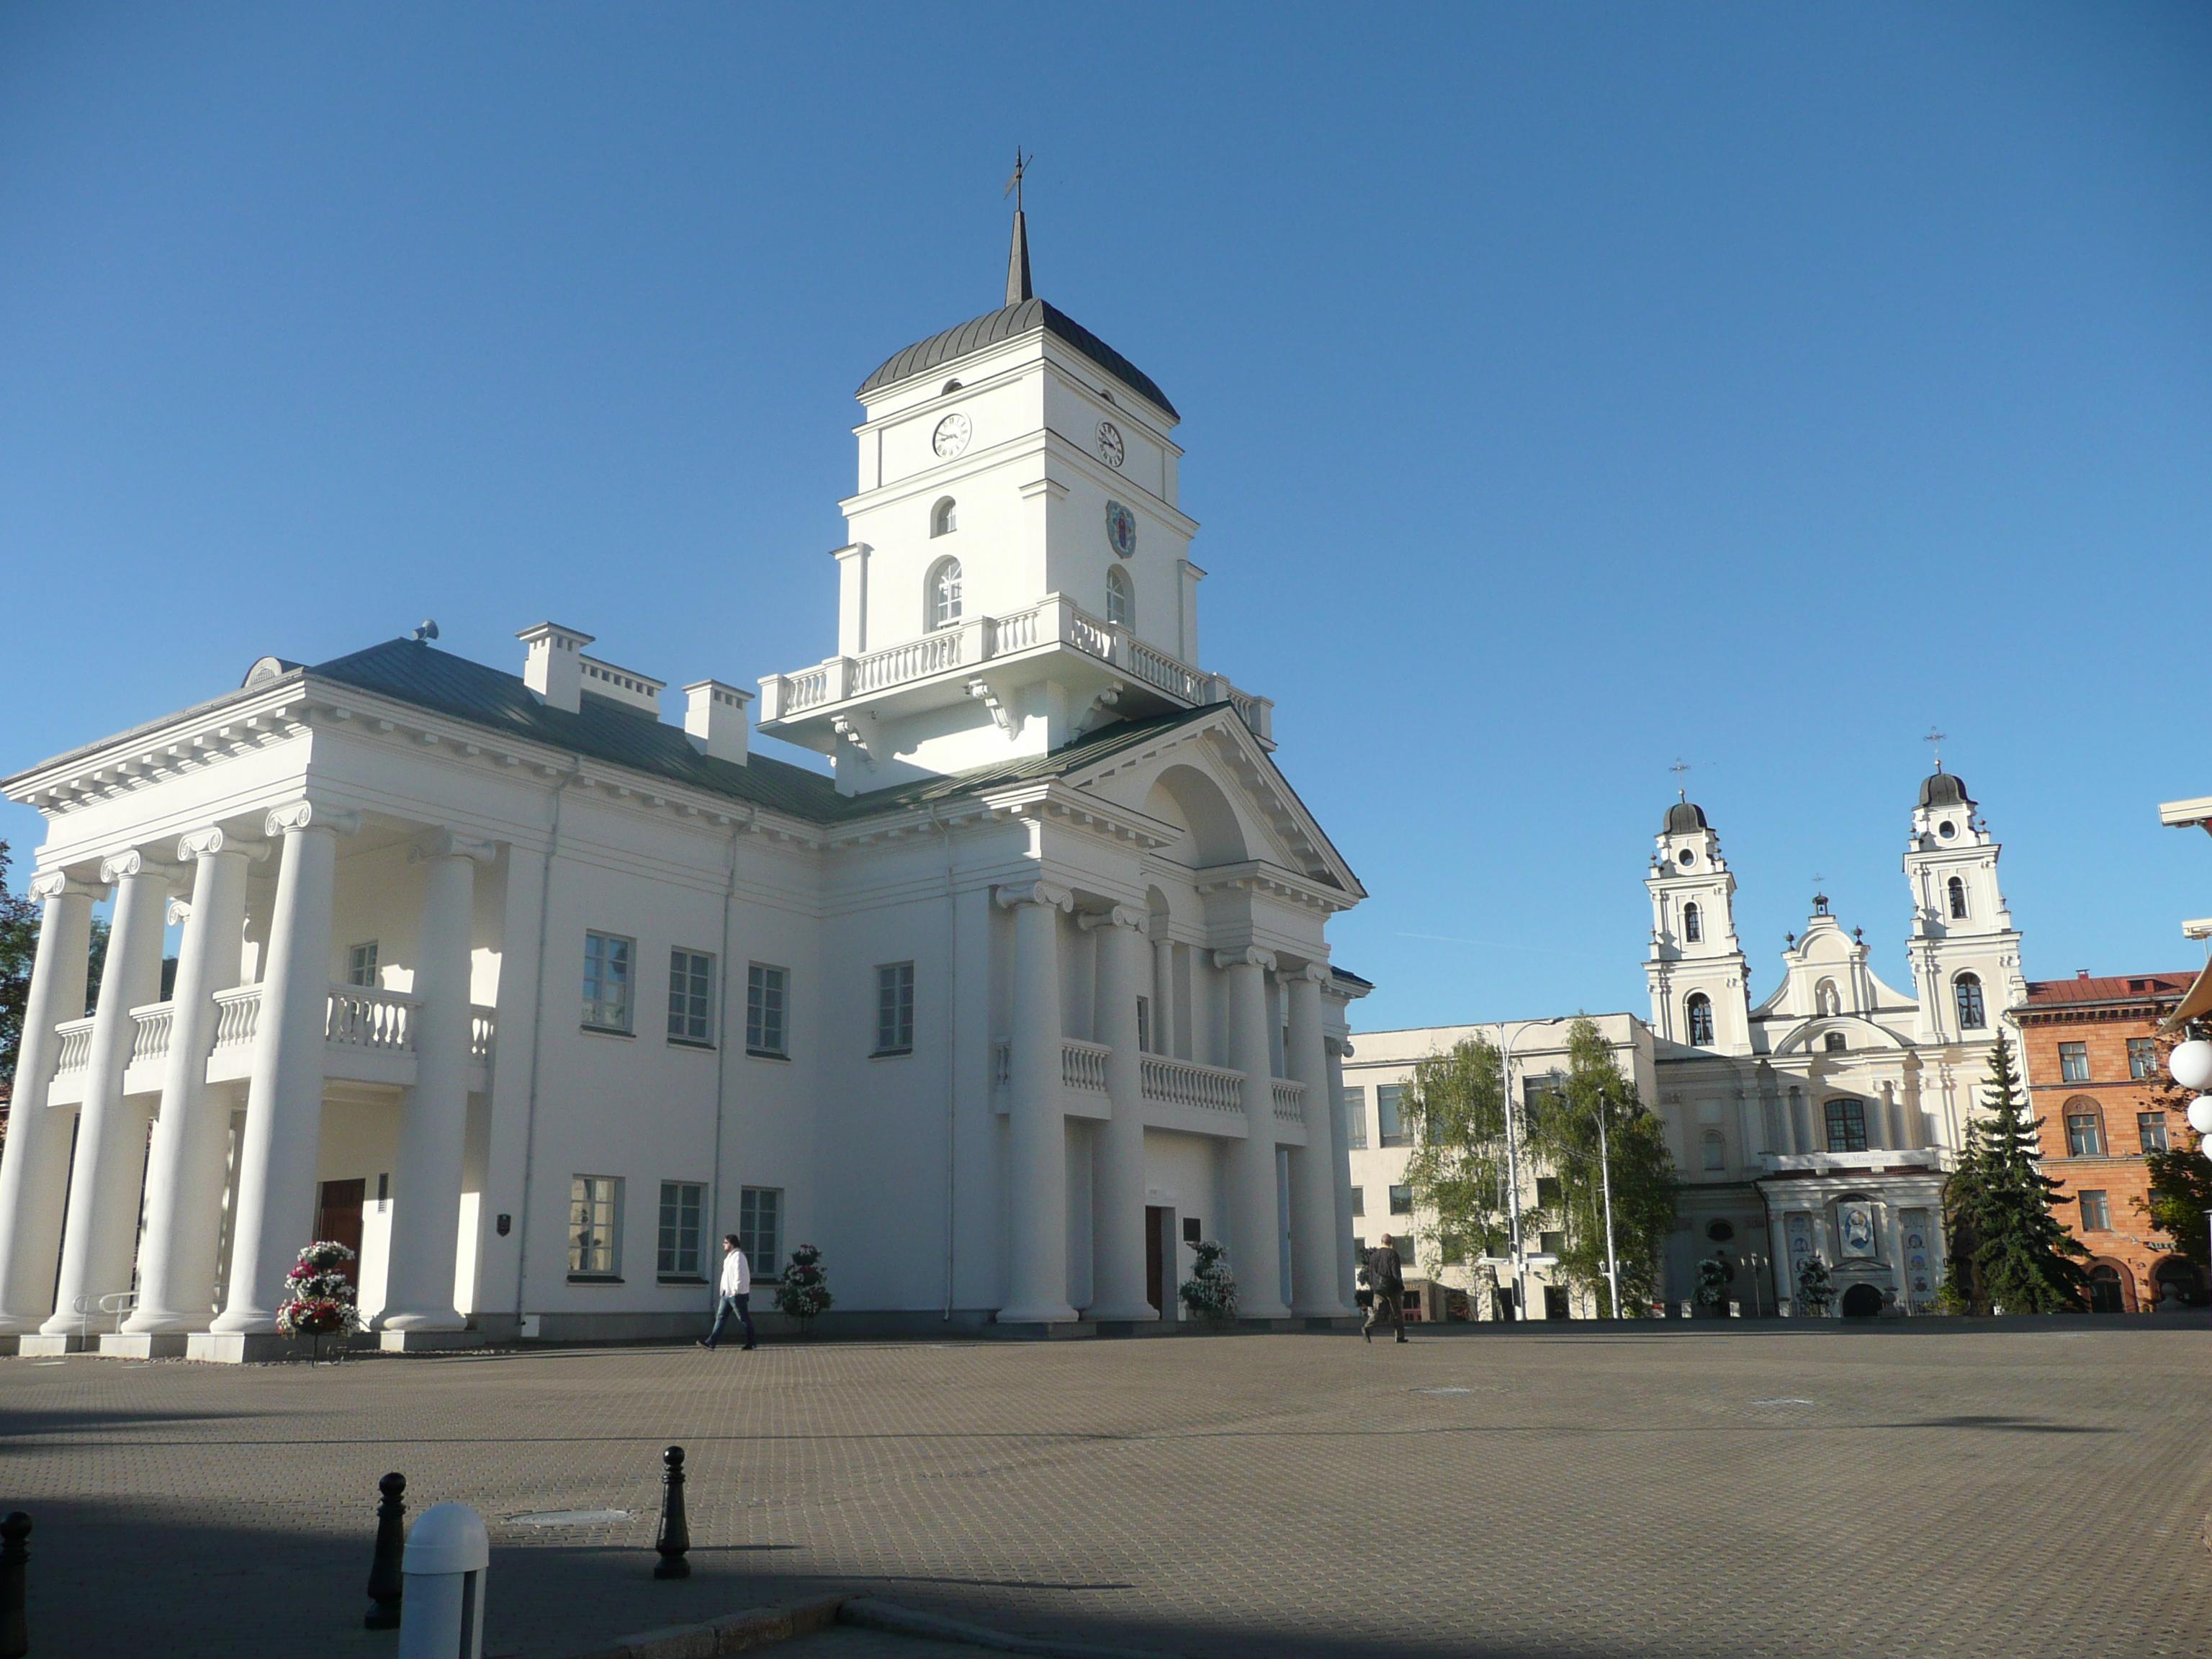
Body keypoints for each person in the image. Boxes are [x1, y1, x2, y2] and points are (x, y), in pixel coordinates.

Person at [697, 1233, 757, 1351]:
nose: (723, 1245)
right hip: (726, 1294)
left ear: (731, 1244)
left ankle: (752, 1342)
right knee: (720, 1317)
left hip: (736, 1294)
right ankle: (711, 1343)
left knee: (743, 1319)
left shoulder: (738, 1256)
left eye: (725, 1243)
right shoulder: (729, 1257)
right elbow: (726, 1276)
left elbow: (739, 1274)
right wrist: (723, 1290)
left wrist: (735, 1290)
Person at [1363, 1233, 1407, 1344]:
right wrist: (1401, 1286)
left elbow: (1371, 1273)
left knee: (1378, 1312)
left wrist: (1373, 1286)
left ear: (1381, 1241)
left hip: (1378, 1289)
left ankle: (1367, 1327)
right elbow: (1396, 1272)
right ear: (1391, 1242)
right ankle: (1399, 1336)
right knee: (1396, 1312)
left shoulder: (1374, 1256)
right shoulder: (1393, 1254)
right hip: (1392, 1288)